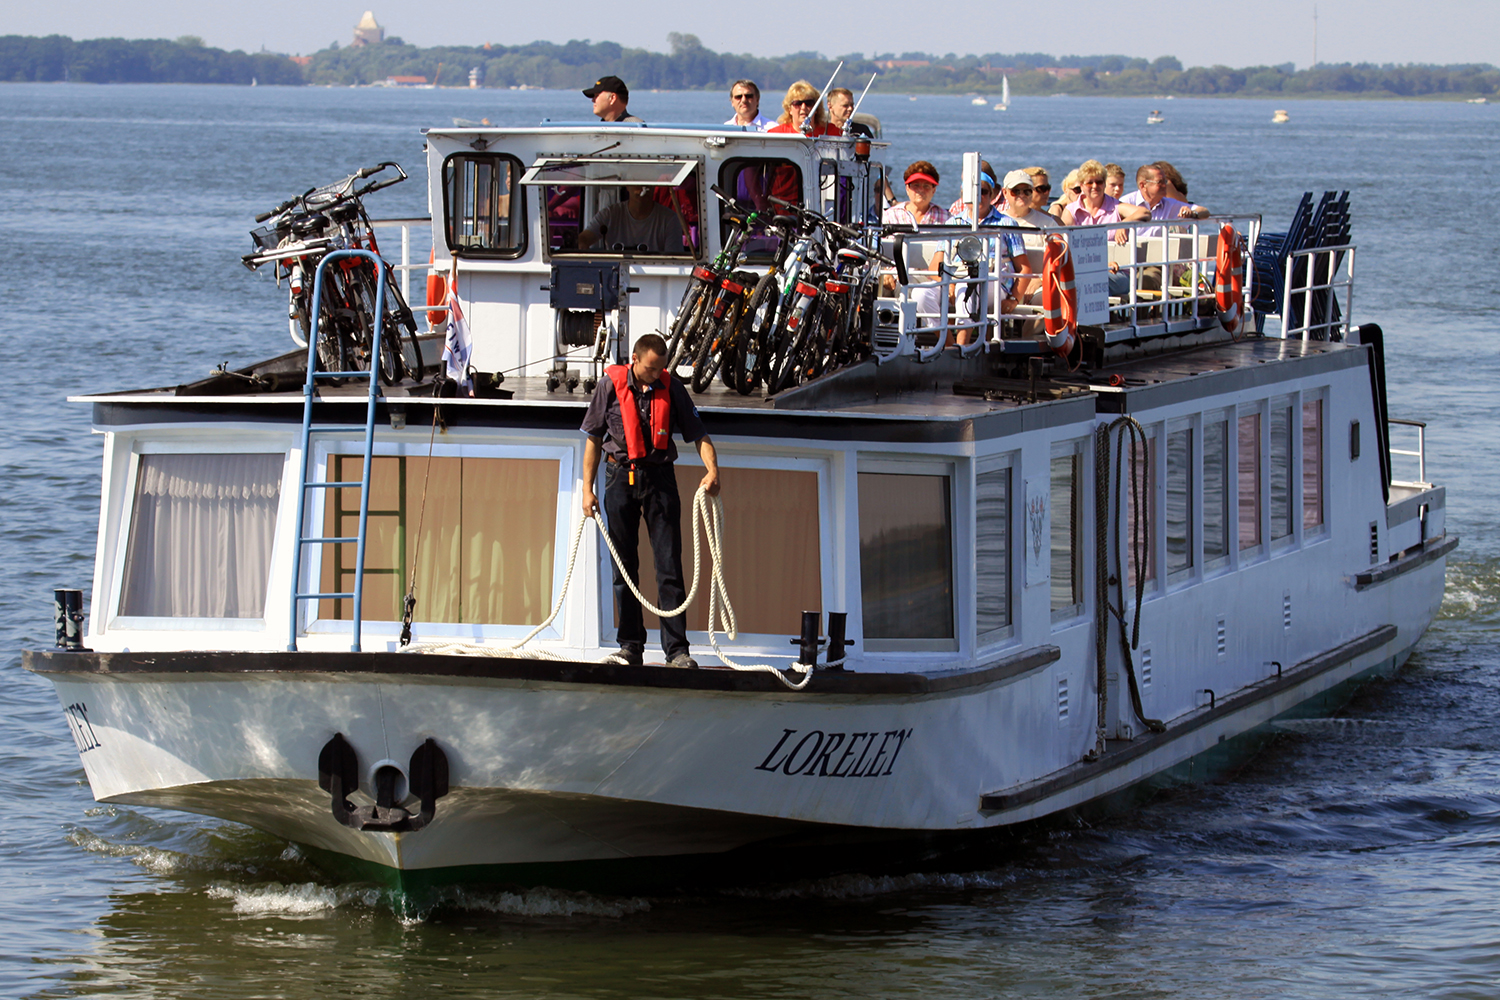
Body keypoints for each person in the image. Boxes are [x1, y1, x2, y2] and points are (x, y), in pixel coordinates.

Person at [581, 334, 720, 669]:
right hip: (619, 479)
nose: (656, 373)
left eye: (661, 368)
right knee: (624, 568)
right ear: (635, 359)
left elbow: (699, 435)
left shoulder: (671, 388)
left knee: (669, 566)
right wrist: (587, 489)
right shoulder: (608, 387)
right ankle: (630, 647)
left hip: (659, 479)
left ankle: (677, 651)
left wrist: (712, 470)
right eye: (651, 368)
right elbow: (593, 439)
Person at [578, 185, 687, 253]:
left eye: (647, 182)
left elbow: (674, 260)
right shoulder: (610, 214)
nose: (642, 187)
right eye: (636, 181)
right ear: (627, 185)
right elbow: (585, 238)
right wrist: (582, 244)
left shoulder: (669, 219)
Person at [767, 80, 842, 137]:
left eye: (809, 103)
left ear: (816, 108)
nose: (803, 107)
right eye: (798, 103)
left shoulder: (832, 132)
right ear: (789, 109)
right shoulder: (776, 134)